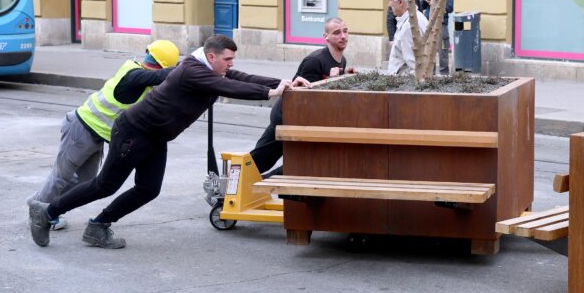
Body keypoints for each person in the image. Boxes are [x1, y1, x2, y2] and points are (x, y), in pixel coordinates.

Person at [28, 35, 309, 250]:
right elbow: (229, 86)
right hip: (133, 132)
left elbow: (239, 77)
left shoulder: (210, 68)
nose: (231, 65)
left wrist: (284, 81)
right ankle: (48, 211)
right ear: (211, 56)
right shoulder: (191, 70)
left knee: (148, 189)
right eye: (227, 60)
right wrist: (270, 92)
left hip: (156, 136)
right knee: (106, 185)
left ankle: (98, 225)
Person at [26, 40, 180, 231]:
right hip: (81, 128)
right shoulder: (134, 74)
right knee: (61, 176)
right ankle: (38, 209)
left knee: (83, 181)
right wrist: (186, 69)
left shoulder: (142, 77)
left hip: (97, 135)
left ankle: (45, 206)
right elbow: (159, 77)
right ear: (162, 65)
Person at [250, 17, 355, 176]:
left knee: (303, 162)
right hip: (286, 116)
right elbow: (303, 96)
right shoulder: (314, 60)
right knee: (260, 160)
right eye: (337, 33)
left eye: (345, 31)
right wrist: (329, 80)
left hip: (305, 120)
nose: (343, 36)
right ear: (325, 37)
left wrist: (343, 76)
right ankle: (231, 188)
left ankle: (263, 182)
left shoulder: (342, 61)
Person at [415, 0, 454, 75]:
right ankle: (430, 73)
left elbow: (450, 8)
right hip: (429, 24)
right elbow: (422, 7)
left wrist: (436, 3)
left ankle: (444, 73)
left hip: (441, 24)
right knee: (428, 49)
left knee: (443, 49)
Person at [387, 0, 428, 75]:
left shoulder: (409, 26)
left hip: (401, 85)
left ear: (400, 2)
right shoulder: (416, 18)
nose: (389, 4)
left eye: (390, 0)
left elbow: (414, 69)